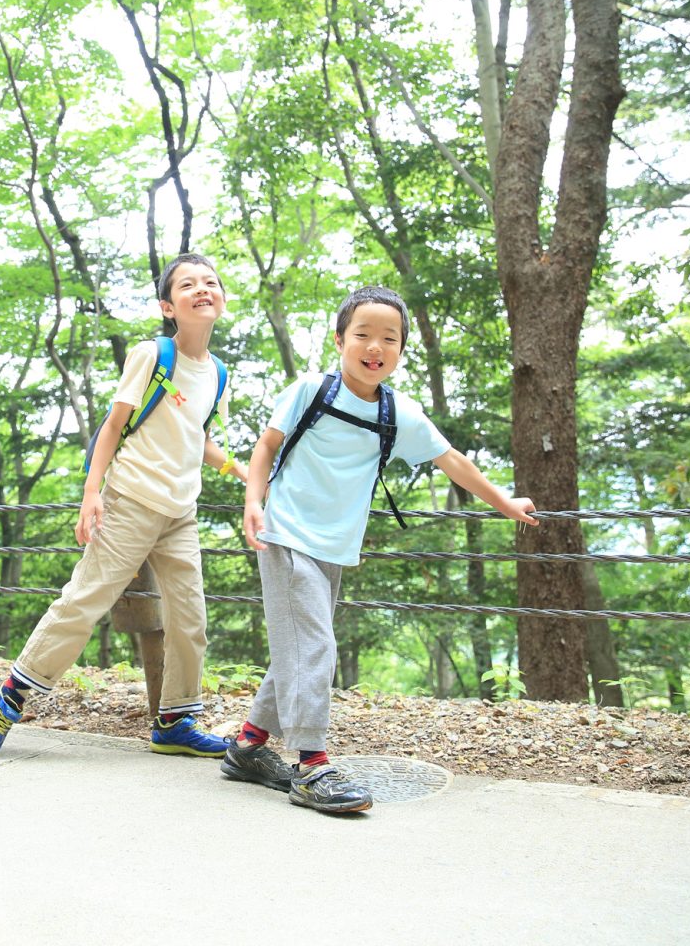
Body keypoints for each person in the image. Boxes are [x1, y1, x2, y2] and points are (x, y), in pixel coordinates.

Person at [231, 285, 539, 814]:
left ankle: (248, 746)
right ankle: (311, 765)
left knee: (300, 645)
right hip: (283, 533)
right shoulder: (311, 390)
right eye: (363, 335)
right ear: (339, 340)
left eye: (389, 338)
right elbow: (266, 446)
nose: (375, 347)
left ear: (400, 350)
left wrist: (504, 502)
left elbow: (453, 461)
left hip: (335, 546)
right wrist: (252, 503)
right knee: (314, 645)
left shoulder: (400, 414)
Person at [0, 252, 246, 761]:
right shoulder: (152, 354)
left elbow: (198, 438)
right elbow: (114, 425)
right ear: (169, 305)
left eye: (211, 282)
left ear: (223, 299)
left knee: (191, 617)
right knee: (84, 602)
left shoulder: (219, 374)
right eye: (188, 284)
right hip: (130, 501)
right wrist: (91, 495)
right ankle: (9, 698)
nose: (203, 289)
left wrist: (241, 470)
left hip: (180, 513)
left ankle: (174, 721)